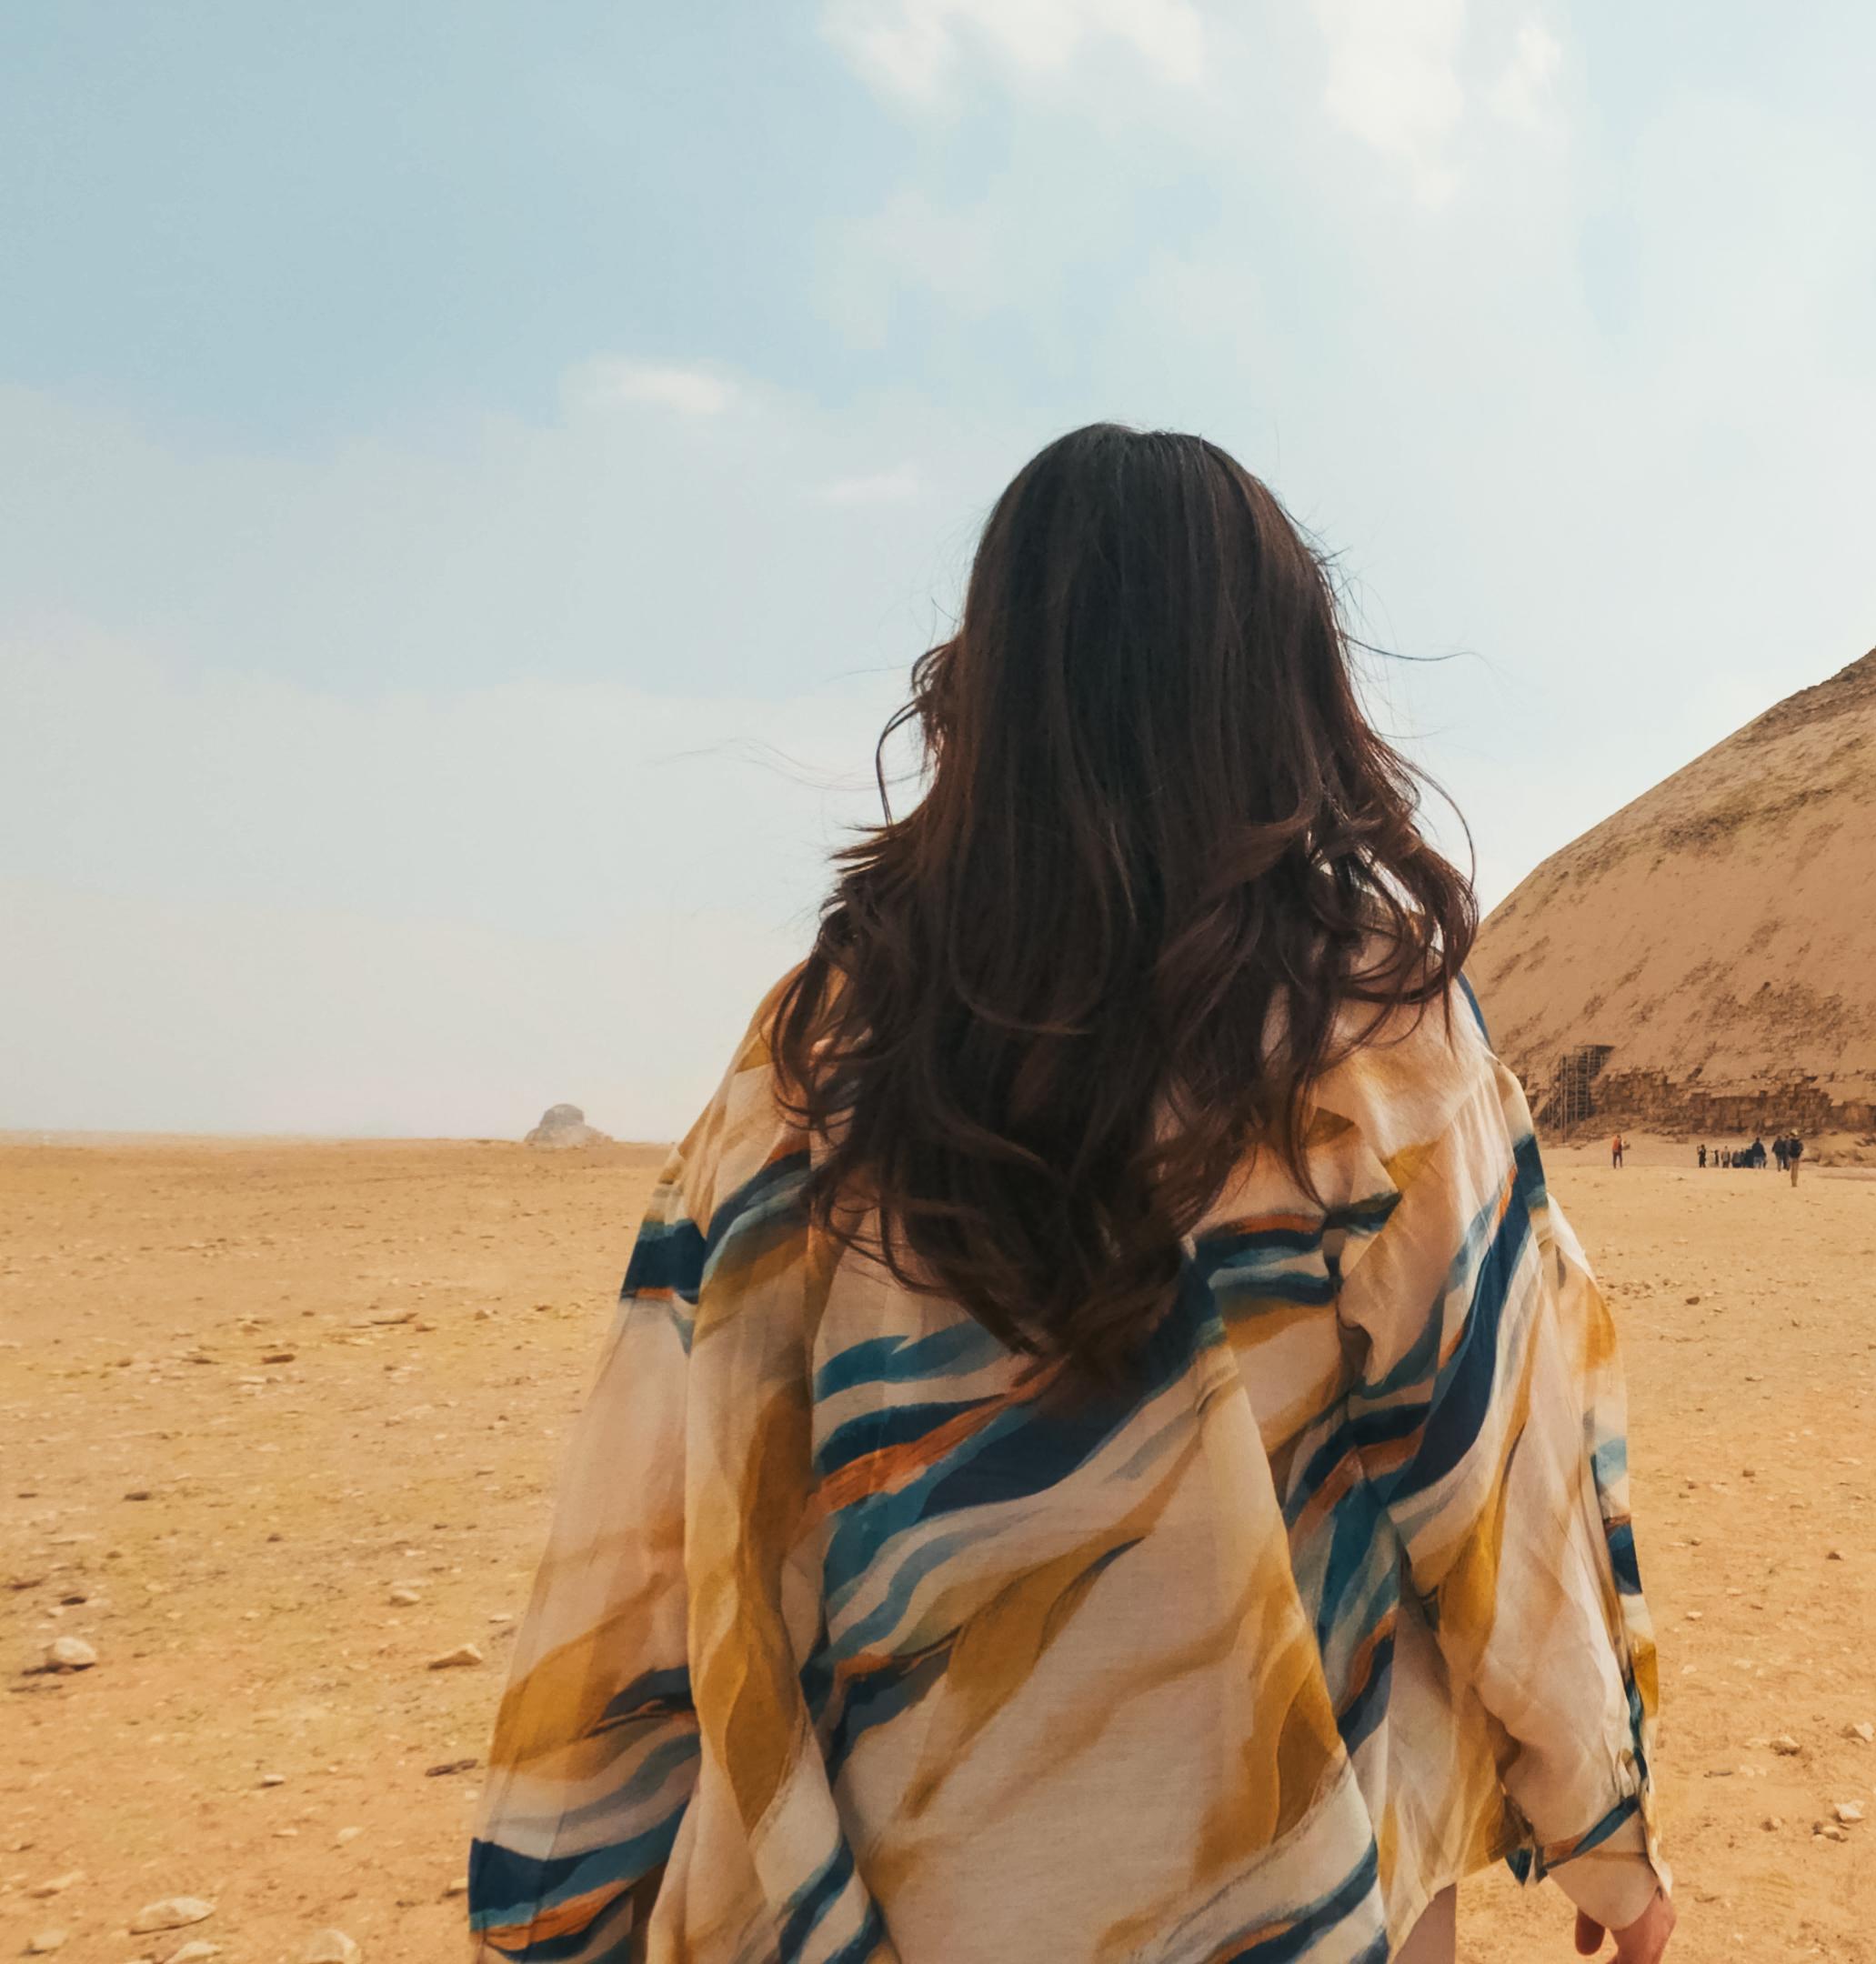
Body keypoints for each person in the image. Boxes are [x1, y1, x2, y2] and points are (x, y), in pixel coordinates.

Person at [466, 427, 1674, 1964]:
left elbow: (645, 1527)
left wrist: (557, 1907)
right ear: (1284, 684)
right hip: (1288, 1899)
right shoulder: (1362, 1028)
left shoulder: (817, 1050)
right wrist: (1606, 1837)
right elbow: (1501, 1481)